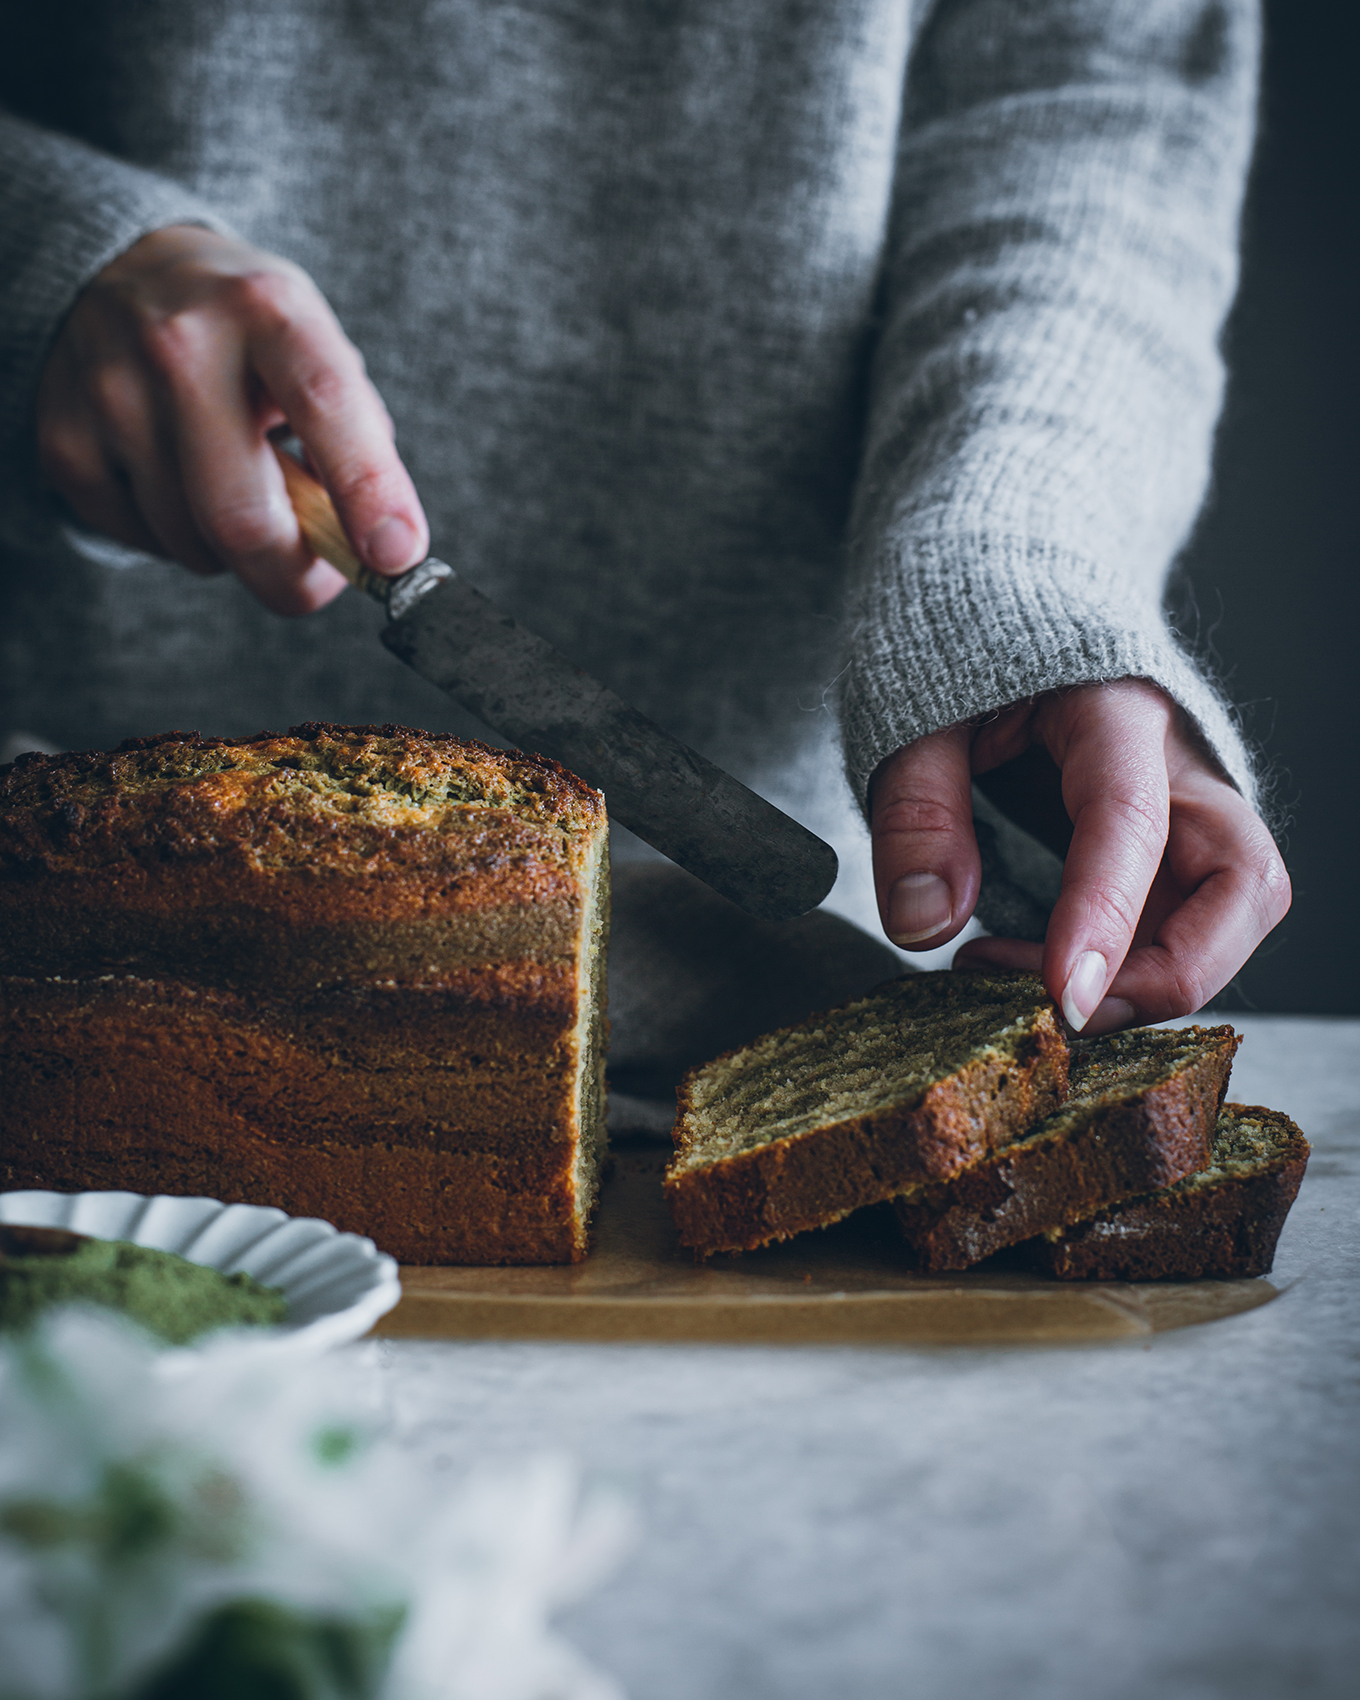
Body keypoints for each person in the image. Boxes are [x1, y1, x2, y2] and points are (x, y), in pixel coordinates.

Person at [0, 0, 1287, 1041]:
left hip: (775, 968)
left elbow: (1094, 118)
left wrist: (1010, 574)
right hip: (69, 902)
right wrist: (42, 255)